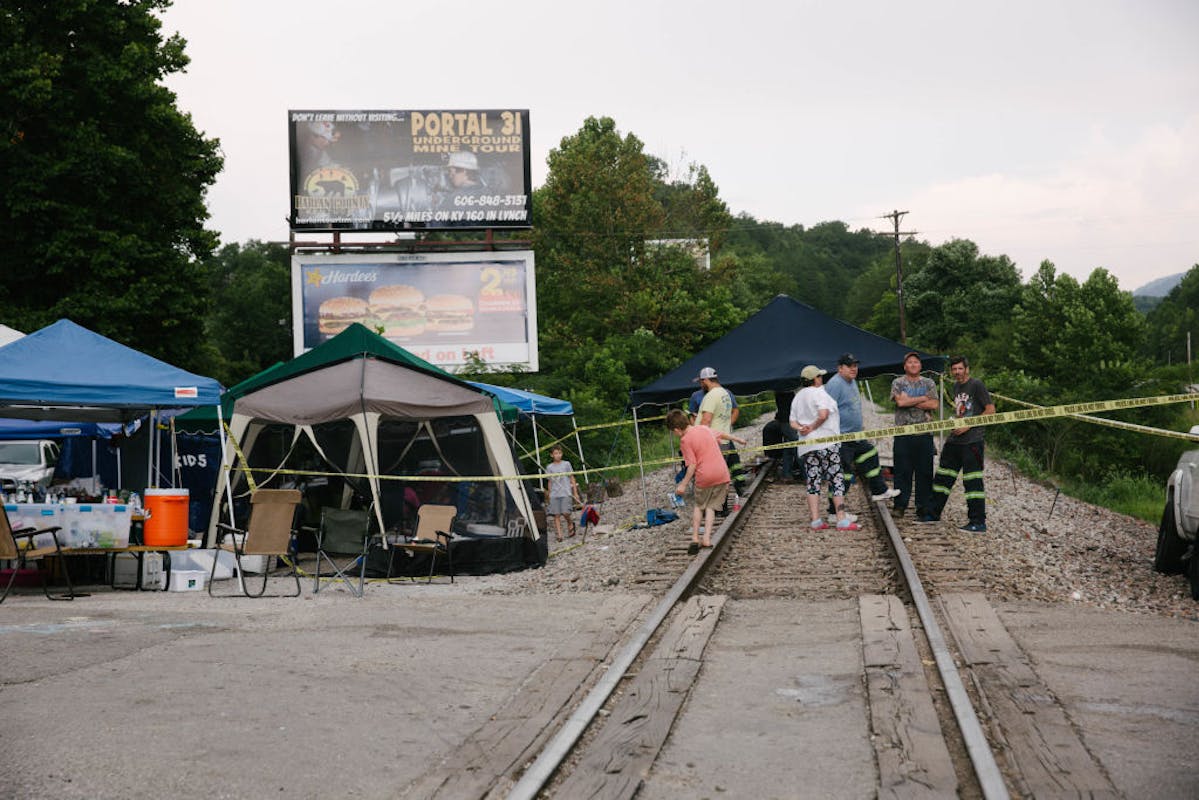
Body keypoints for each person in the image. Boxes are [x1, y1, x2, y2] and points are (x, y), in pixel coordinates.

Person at [922, 355, 995, 532]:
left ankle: (978, 522)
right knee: (943, 477)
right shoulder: (955, 386)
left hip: (973, 440)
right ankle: (932, 513)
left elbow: (991, 410)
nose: (957, 372)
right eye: (954, 369)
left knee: (972, 482)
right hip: (955, 440)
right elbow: (963, 410)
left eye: (960, 369)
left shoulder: (976, 385)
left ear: (967, 369)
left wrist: (967, 425)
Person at [824, 353, 900, 508]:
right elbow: (826, 411)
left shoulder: (851, 382)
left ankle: (879, 491)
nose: (854, 369)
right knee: (842, 475)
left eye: (855, 366)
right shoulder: (835, 384)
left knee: (870, 454)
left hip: (855, 436)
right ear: (840, 368)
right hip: (842, 438)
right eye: (850, 366)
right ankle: (834, 511)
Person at [790, 365, 859, 531]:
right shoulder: (819, 392)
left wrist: (802, 429)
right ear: (815, 379)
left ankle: (815, 520)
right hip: (827, 443)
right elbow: (823, 414)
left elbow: (793, 422)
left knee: (813, 481)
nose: (821, 379)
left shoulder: (798, 396)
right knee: (836, 478)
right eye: (819, 376)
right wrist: (813, 426)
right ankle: (841, 519)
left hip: (808, 446)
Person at [668, 409, 747, 555]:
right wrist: (737, 439)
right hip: (722, 473)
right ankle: (707, 539)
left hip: (705, 475)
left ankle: (695, 537)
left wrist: (683, 484)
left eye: (674, 432)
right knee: (711, 507)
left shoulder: (685, 440)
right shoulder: (703, 428)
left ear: (677, 429)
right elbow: (721, 434)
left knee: (699, 506)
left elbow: (691, 465)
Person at [891, 351, 940, 520]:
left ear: (920, 366)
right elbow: (900, 402)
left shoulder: (929, 383)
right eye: (910, 362)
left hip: (924, 433)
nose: (913, 365)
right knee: (902, 471)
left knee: (924, 472)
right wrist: (921, 399)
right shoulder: (898, 382)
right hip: (903, 433)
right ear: (905, 366)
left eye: (916, 362)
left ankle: (923, 506)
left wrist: (910, 400)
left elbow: (934, 404)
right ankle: (900, 505)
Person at [694, 367, 746, 507]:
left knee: (714, 477)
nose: (700, 385)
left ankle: (718, 507)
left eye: (701, 382)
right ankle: (721, 506)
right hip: (723, 440)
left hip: (712, 442)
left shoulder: (711, 396)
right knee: (721, 475)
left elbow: (706, 420)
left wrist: (699, 442)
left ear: (706, 380)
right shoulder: (725, 393)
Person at [544, 446, 582, 542]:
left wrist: (575, 492)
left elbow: (572, 477)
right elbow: (549, 481)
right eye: (556, 453)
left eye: (559, 453)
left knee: (565, 512)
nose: (558, 455)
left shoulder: (566, 464)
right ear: (552, 455)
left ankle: (570, 523)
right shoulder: (549, 467)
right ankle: (560, 535)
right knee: (556, 515)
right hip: (554, 494)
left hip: (565, 492)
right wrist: (549, 494)